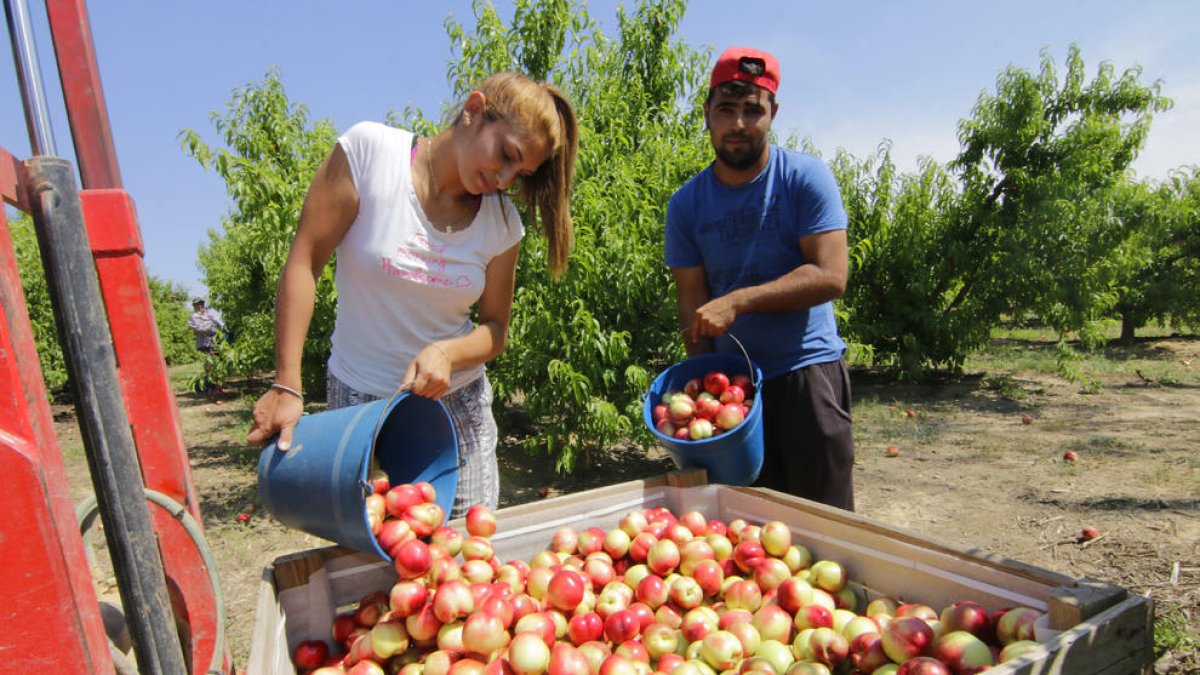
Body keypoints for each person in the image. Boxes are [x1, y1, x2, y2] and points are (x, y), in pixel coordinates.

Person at [246, 72, 578, 518]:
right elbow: (305, 259)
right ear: (474, 110)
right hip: (362, 403)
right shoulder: (369, 155)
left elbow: (495, 330)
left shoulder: (501, 224)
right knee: (374, 553)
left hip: (456, 408)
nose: (503, 178)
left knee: (465, 554)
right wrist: (287, 382)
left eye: (520, 173)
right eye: (506, 155)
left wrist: (446, 351)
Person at [665, 47, 855, 510]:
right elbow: (693, 302)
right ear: (707, 113)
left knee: (826, 526)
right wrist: (698, 394)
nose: (739, 124)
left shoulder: (805, 178)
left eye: (753, 110)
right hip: (733, 389)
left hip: (807, 375)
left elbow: (831, 276)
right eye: (726, 110)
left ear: (773, 114)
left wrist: (740, 300)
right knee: (746, 529)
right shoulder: (686, 205)